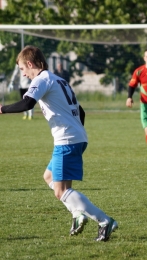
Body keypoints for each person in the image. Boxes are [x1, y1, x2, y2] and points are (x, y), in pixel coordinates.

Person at [0, 45, 118, 241]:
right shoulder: (58, 79)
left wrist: (2, 109)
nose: (24, 74)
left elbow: (27, 103)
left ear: (30, 64)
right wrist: (76, 131)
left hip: (67, 140)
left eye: (22, 69)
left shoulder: (41, 79)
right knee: (49, 177)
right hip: (76, 137)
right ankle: (77, 213)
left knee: (61, 191)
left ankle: (105, 221)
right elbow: (81, 111)